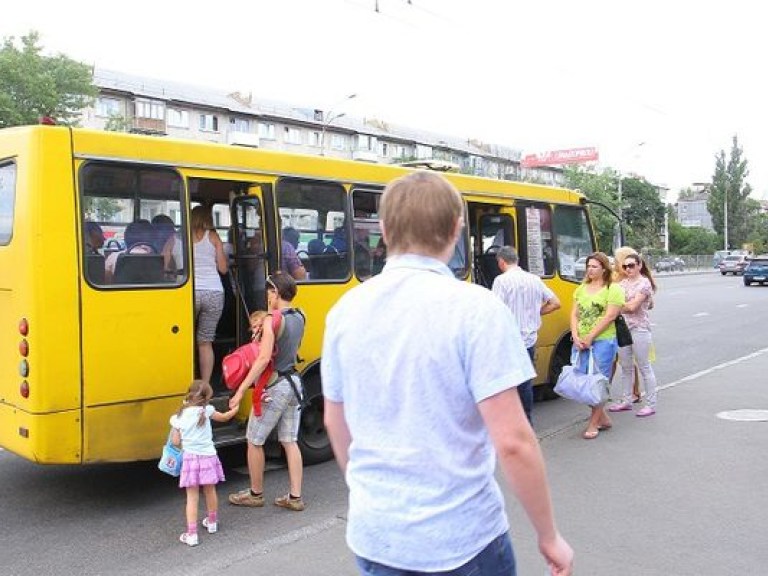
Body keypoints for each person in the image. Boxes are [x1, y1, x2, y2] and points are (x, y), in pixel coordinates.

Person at [321, 172, 573, 576]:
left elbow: (336, 419)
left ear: (383, 230)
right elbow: (513, 442)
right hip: (461, 540)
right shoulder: (476, 309)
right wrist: (549, 537)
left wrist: (376, 495)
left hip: (376, 536)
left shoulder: (344, 311)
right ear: (457, 229)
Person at [228, 271, 307, 512]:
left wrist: (241, 390)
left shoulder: (272, 320)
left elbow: (263, 360)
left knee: (254, 440)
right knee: (290, 441)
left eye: (269, 292)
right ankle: (295, 497)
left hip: (275, 387)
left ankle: (255, 493)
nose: (267, 297)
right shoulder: (301, 315)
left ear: (276, 293)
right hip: (295, 383)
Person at [492, 245, 561, 423]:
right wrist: (535, 313)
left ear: (501, 262)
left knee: (506, 383)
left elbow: (496, 310)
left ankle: (510, 422)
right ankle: (526, 421)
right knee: (525, 382)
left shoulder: (501, 281)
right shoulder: (534, 279)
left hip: (509, 340)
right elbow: (555, 303)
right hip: (529, 340)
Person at [170, 380, 239, 547]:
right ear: (207, 398)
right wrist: (235, 409)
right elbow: (224, 417)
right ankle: (212, 522)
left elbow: (175, 441)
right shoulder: (207, 410)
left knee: (192, 497)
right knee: (210, 490)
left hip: (190, 459)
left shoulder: (178, 417)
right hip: (208, 457)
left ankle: (192, 534)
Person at [570, 251, 625, 440]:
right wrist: (576, 335)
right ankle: (603, 418)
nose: (590, 270)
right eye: (588, 266)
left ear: (604, 269)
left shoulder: (613, 289)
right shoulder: (582, 287)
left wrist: (591, 336)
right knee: (582, 382)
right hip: (582, 341)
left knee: (598, 382)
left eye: (594, 266)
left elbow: (610, 316)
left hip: (603, 340)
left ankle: (593, 423)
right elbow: (575, 314)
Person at [608, 252, 659, 417]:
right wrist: (617, 306)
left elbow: (633, 307)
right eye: (625, 266)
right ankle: (626, 400)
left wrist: (616, 308)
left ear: (639, 266)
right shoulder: (622, 284)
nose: (628, 269)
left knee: (644, 366)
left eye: (631, 265)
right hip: (623, 328)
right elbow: (614, 301)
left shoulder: (644, 284)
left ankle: (651, 403)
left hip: (639, 328)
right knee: (625, 366)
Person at [191, 205, 228, 384]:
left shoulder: (178, 238)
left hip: (189, 293)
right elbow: (223, 268)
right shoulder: (213, 237)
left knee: (186, 337)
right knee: (205, 341)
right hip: (214, 292)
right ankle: (205, 384)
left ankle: (188, 379)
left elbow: (167, 266)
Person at [612, 246, 644, 403]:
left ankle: (634, 391)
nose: (615, 263)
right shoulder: (614, 277)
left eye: (617, 260)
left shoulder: (635, 280)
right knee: (619, 360)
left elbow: (646, 304)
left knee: (627, 361)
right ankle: (627, 392)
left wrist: (616, 305)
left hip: (629, 325)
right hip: (615, 323)